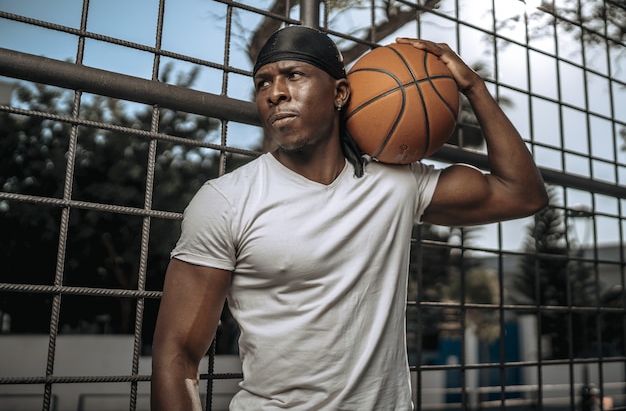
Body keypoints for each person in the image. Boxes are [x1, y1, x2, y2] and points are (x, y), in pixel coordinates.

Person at [150, 25, 548, 411]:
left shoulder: (397, 184)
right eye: (262, 83)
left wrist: (474, 88)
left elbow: (522, 193)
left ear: (340, 92)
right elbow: (177, 353)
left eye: (293, 75)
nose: (275, 93)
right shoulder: (226, 200)